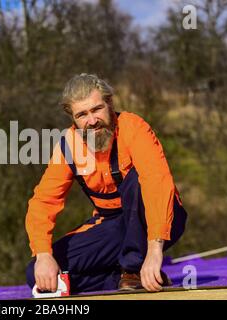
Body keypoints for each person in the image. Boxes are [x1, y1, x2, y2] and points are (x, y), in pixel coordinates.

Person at [25, 73, 188, 294]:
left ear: (109, 103)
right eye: (82, 114)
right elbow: (43, 201)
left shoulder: (133, 128)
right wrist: (43, 255)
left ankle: (133, 268)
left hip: (157, 219)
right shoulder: (69, 146)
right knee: (39, 273)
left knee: (138, 180)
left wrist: (154, 250)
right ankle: (122, 279)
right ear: (72, 118)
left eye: (96, 109)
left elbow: (156, 183)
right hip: (113, 226)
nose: (92, 121)